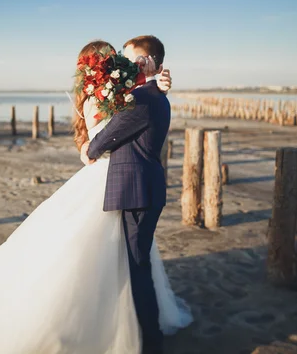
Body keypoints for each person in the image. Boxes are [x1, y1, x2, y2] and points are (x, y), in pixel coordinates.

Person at [0, 39, 191, 354]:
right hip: (117, 181)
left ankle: (139, 333)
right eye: (116, 60)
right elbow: (108, 134)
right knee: (108, 256)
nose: (123, 65)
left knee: (125, 260)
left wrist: (157, 83)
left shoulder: (136, 96)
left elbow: (123, 125)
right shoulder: (113, 98)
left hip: (126, 184)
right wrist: (96, 140)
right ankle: (132, 332)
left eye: (127, 59)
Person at [81, 35, 175, 354]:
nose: (123, 63)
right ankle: (145, 333)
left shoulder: (144, 98)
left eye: (129, 58)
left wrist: (90, 150)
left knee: (138, 269)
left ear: (145, 62)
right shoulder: (152, 94)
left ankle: (151, 342)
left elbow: (109, 135)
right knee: (138, 264)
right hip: (144, 189)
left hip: (138, 191)